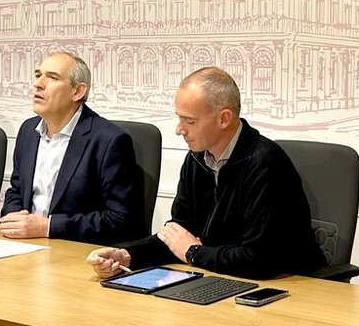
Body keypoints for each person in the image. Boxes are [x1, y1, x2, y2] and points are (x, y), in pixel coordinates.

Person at [86, 67, 326, 280]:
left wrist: (194, 252)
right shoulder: (196, 158)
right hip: (221, 277)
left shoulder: (265, 163)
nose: (179, 130)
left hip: (290, 287)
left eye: (189, 121)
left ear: (224, 118)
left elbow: (259, 260)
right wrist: (127, 255)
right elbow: (178, 236)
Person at [0, 51, 141, 242]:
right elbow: (16, 190)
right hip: (25, 245)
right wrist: (15, 219)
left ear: (78, 92)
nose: (38, 84)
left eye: (52, 77)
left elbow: (120, 219)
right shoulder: (28, 131)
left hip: (76, 251)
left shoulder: (109, 141)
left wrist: (48, 227)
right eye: (38, 75)